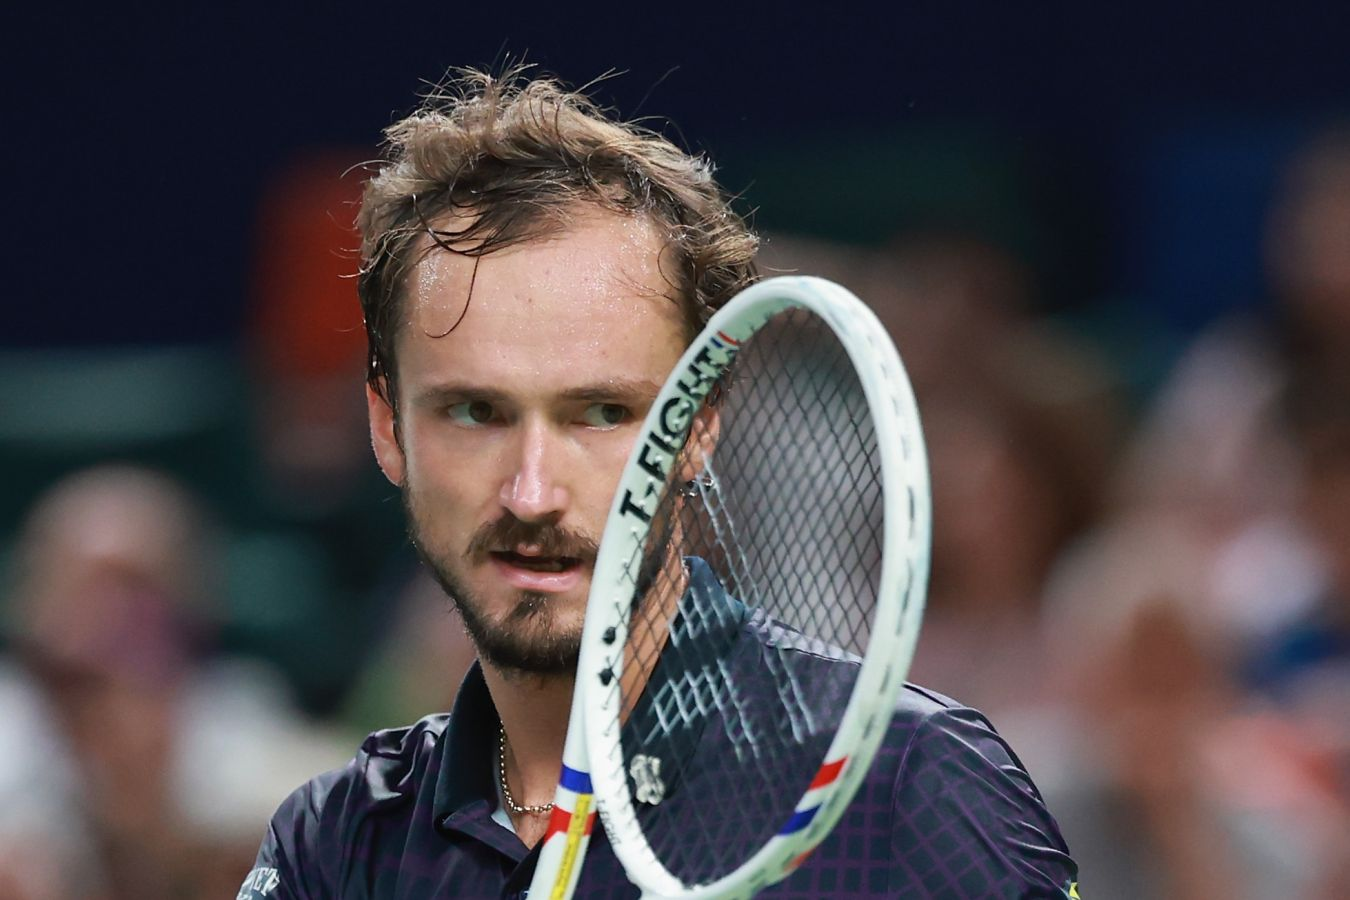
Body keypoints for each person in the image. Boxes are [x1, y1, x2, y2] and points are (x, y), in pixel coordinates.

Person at [243, 69, 1079, 898]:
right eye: (475, 412)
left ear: (700, 427)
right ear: (388, 428)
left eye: (602, 413)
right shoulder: (337, 844)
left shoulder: (910, 791)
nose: (532, 493)